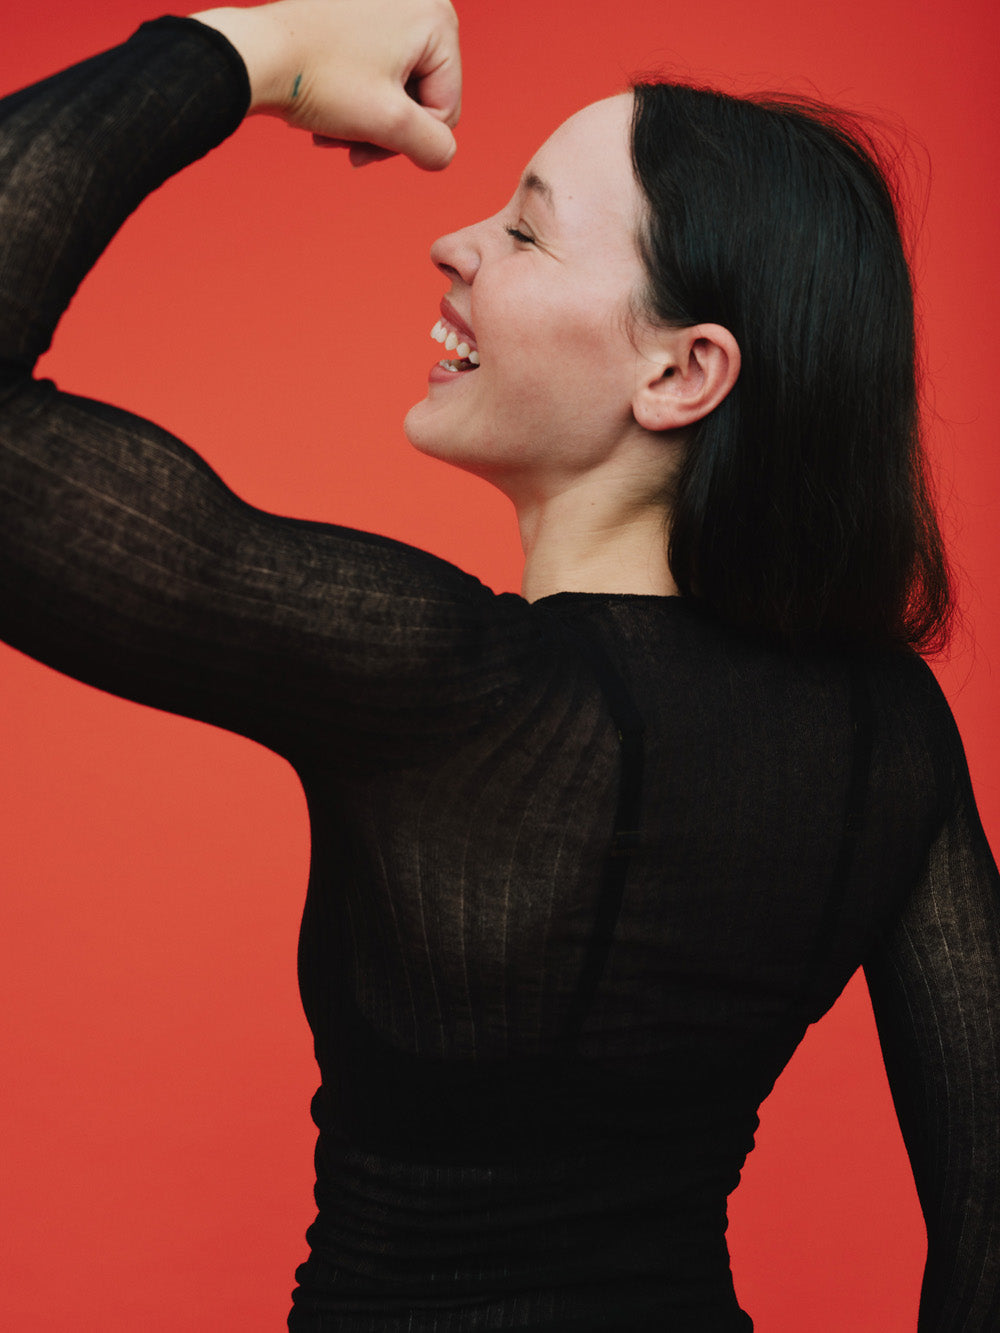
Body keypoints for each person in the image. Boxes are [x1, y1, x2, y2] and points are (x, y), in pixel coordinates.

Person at [0, 1, 997, 1329]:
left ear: (683, 372)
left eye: (525, 231)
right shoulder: (888, 735)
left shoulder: (451, 690)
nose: (453, 242)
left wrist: (258, 48)